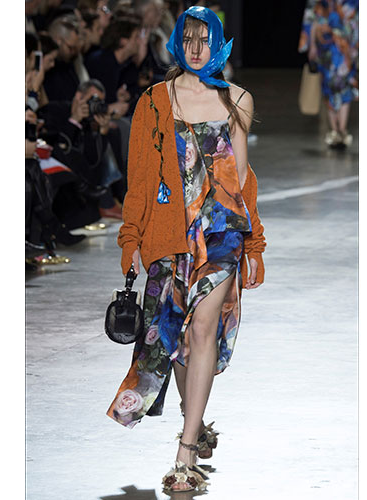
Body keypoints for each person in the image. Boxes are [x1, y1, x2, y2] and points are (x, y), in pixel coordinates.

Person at [105, 6, 266, 493]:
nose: (196, 48)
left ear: (217, 42)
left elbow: (243, 180)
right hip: (170, 233)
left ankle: (186, 453)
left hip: (220, 234)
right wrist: (130, 237)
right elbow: (139, 179)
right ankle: (191, 414)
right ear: (178, 43)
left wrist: (254, 242)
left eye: (205, 39)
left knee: (202, 329)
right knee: (176, 337)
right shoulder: (155, 101)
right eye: (188, 39)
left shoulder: (237, 100)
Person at [307, 0, 358, 148]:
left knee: (344, 88)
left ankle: (341, 129)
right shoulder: (322, 3)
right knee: (329, 89)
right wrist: (312, 46)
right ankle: (335, 130)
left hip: (346, 50)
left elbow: (357, 22)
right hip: (327, 51)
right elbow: (314, 21)